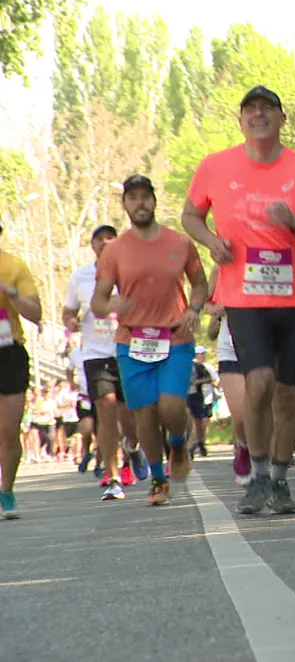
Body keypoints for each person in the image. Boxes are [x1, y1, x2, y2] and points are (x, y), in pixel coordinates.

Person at [182, 85, 295, 516]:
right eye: (250, 109)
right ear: (240, 121)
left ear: (281, 119)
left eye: (267, 108)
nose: (258, 115)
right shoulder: (216, 166)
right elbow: (190, 215)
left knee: (290, 393)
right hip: (244, 296)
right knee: (258, 381)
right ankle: (255, 476)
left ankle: (279, 480)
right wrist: (211, 241)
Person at [92, 175, 208, 506]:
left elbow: (200, 283)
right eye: (133, 198)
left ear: (154, 201)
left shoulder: (180, 243)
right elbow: (98, 302)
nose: (140, 202)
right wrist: (112, 304)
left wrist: (194, 309)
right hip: (133, 342)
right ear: (125, 205)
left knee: (171, 405)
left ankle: (178, 444)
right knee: (144, 412)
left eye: (145, 196)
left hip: (175, 338)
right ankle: (158, 479)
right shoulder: (115, 251)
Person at [62, 223, 144, 497]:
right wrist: (71, 322)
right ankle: (113, 478)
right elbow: (68, 312)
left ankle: (133, 446)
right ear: (92, 246)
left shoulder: (132, 273)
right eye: (99, 239)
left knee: (129, 417)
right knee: (105, 414)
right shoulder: (80, 277)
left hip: (128, 350)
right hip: (95, 354)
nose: (105, 242)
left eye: (111, 238)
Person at [0, 218, 41, 518]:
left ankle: (7, 491)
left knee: (8, 430)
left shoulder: (14, 266)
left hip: (9, 352)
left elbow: (36, 313)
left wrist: (11, 293)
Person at [205, 268, 253, 486]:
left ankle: (262, 457)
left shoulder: (272, 256)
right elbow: (207, 302)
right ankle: (243, 447)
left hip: (265, 344)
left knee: (263, 408)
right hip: (231, 346)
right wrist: (216, 309)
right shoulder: (222, 267)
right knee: (241, 414)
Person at [187, 346, 218, 458]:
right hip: (184, 397)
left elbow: (209, 379)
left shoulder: (199, 367)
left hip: (197, 397)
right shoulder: (179, 366)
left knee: (199, 422)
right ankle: (190, 446)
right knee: (189, 421)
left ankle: (199, 443)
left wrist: (197, 382)